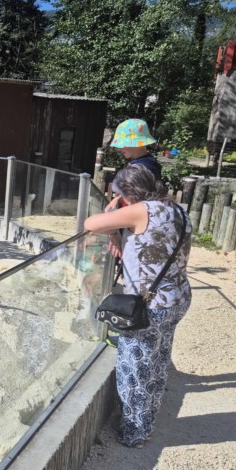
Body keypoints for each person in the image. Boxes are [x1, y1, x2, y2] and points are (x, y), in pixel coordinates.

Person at [84, 164, 192, 448]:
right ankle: (148, 420)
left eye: (118, 192)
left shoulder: (141, 209)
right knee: (156, 362)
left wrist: (113, 207)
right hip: (177, 297)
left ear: (128, 193)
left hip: (149, 305)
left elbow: (91, 224)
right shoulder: (177, 209)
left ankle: (134, 431)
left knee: (134, 368)